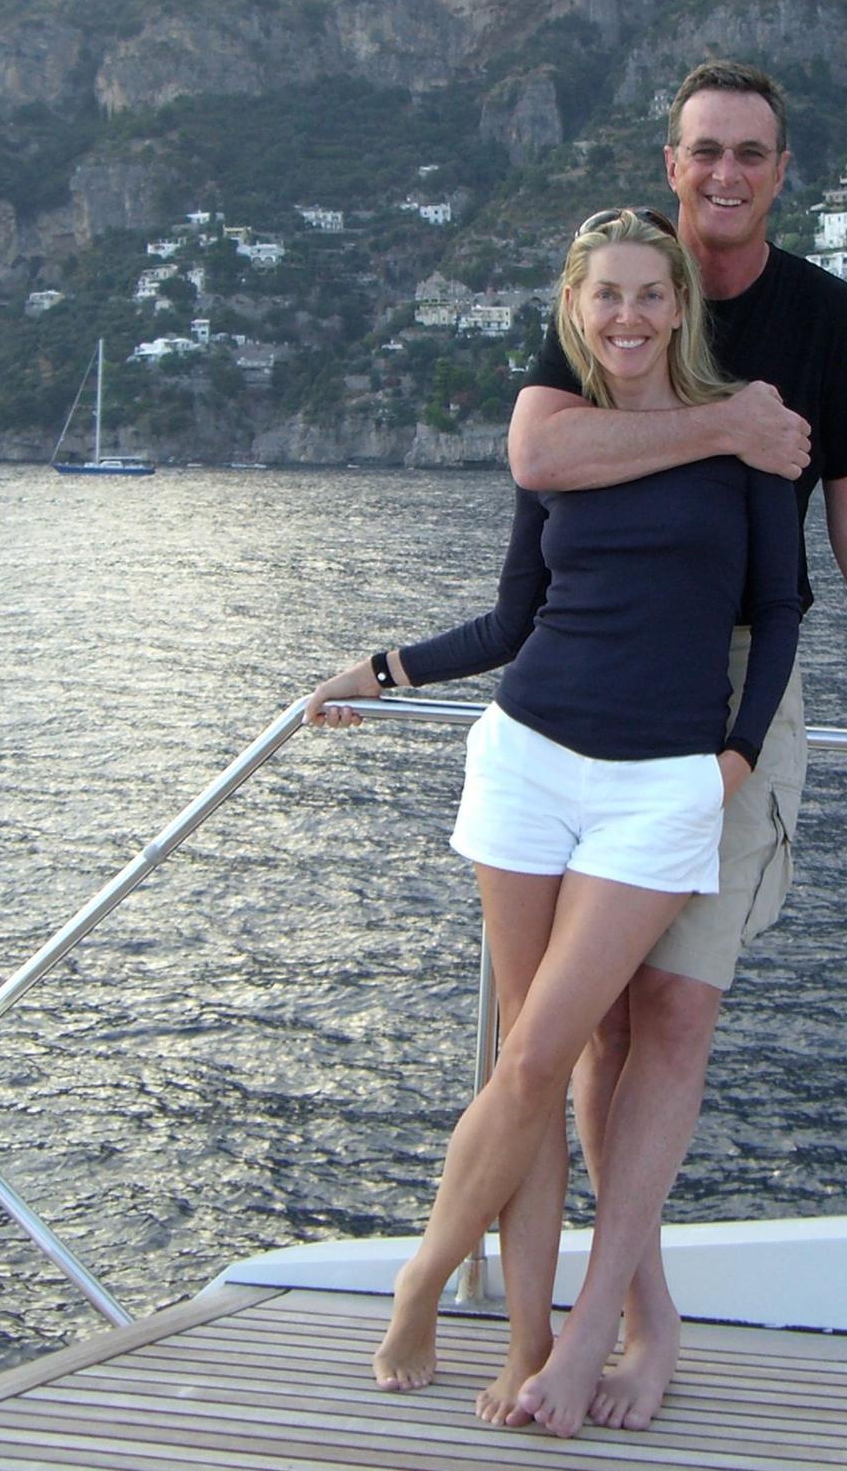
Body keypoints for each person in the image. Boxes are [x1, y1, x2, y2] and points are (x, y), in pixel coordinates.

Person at [502, 59, 847, 1437]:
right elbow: (541, 458)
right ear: (670, 163)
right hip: (599, 690)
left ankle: (605, 1321)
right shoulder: (617, 294)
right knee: (594, 1024)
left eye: (750, 154)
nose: (724, 173)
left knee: (675, 1007)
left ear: (784, 173)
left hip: (731, 700)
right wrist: (726, 422)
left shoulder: (822, 315)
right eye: (703, 150)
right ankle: (642, 1315)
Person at [305, 209, 801, 1429]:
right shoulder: (561, 439)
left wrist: (736, 754)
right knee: (529, 1063)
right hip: (527, 758)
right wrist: (378, 670)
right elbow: (513, 621)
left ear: (679, 303)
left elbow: (781, 610)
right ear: (574, 311)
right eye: (604, 298)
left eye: (648, 294)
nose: (626, 316)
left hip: (657, 788)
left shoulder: (745, 441)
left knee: (536, 1057)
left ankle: (418, 1278)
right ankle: (526, 1339)